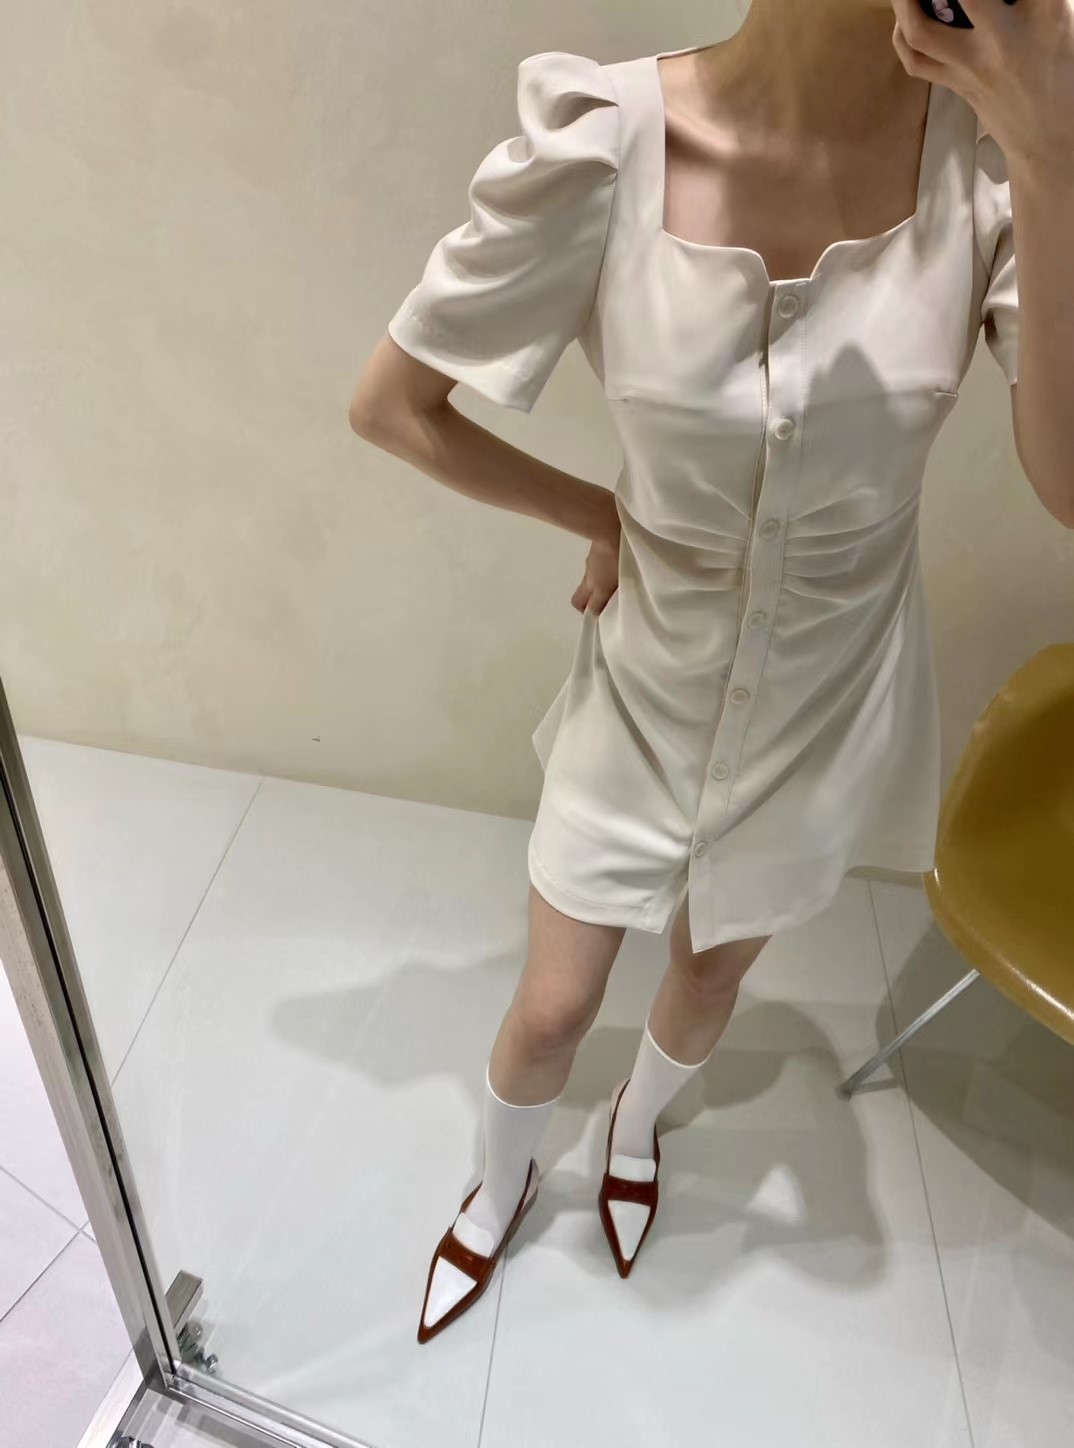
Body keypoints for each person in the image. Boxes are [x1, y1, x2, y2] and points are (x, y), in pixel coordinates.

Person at [349, 0, 1074, 1344]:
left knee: (710, 975)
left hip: (832, 694)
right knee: (554, 1005)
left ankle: (636, 1130)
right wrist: (600, 516)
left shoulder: (991, 173)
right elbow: (393, 408)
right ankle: (500, 1180)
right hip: (648, 672)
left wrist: (1051, 154)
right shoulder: (603, 146)